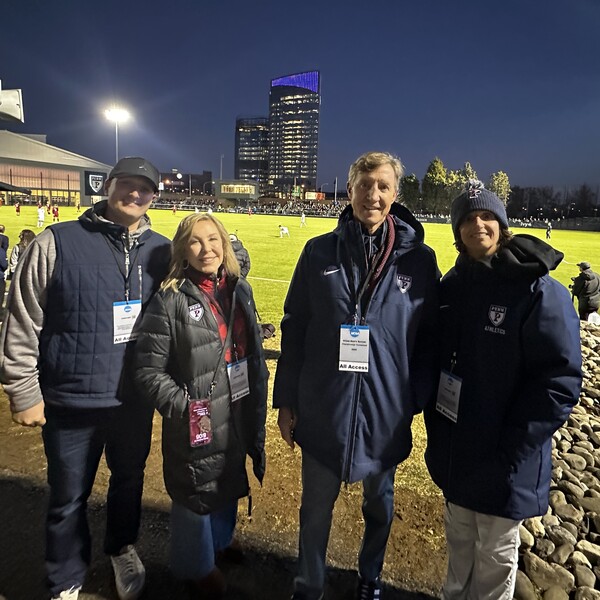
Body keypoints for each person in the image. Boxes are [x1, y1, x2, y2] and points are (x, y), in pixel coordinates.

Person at [0, 157, 171, 600]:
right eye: (126, 185)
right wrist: (22, 390)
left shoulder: (162, 250)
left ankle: (121, 548)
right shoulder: (57, 241)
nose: (135, 194)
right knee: (67, 496)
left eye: (144, 188)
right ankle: (65, 577)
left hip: (133, 399)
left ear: (154, 195)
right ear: (107, 186)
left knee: (129, 481)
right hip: (70, 398)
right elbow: (23, 319)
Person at [273, 151, 439, 600]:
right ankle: (309, 585)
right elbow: (295, 325)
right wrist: (286, 399)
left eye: (383, 187)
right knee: (314, 510)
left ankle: (371, 578)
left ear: (395, 195)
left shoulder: (419, 261)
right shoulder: (318, 251)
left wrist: (413, 397)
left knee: (380, 506)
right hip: (324, 407)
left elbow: (432, 338)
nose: (373, 195)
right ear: (349, 192)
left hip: (385, 414)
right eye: (364, 186)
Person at [424, 180, 582, 600]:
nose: (478, 224)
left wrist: (513, 450)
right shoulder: (453, 286)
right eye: (469, 218)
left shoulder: (538, 289)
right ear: (457, 229)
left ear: (502, 224)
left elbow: (559, 381)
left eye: (487, 215)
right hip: (458, 453)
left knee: (494, 564)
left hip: (504, 461)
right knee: (458, 554)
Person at [133, 213, 268, 599]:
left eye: (213, 239)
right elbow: (147, 372)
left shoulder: (239, 289)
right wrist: (188, 407)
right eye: (195, 241)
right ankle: (195, 565)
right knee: (195, 487)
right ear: (183, 250)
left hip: (238, 405)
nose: (206, 249)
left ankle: (220, 540)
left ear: (225, 244)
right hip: (198, 415)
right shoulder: (170, 299)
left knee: (225, 474)